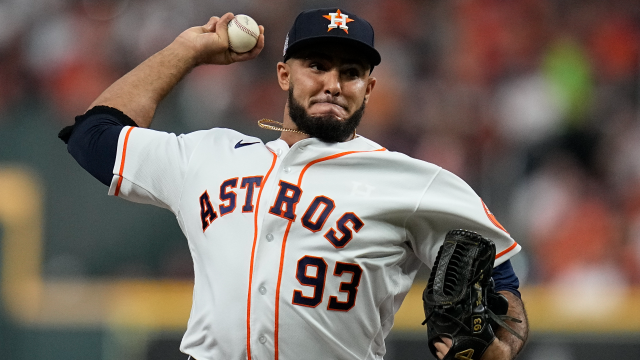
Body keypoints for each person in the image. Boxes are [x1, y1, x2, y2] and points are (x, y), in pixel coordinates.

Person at [60, 8, 528, 360]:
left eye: (351, 73)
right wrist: (187, 51)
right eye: (317, 66)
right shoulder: (209, 156)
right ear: (284, 73)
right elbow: (93, 136)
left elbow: (502, 285)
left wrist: (500, 347)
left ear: (370, 88)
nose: (333, 83)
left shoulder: (413, 182)